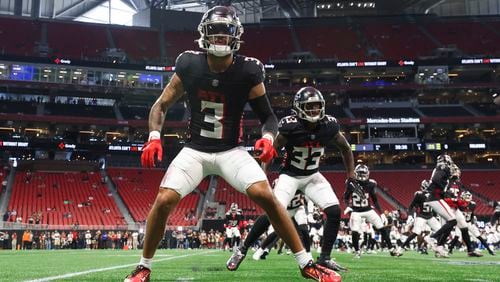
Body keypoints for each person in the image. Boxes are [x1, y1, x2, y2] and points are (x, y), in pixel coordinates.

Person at [125, 6, 338, 282]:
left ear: (236, 36)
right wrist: (154, 136)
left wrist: (267, 137)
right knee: (164, 199)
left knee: (267, 196)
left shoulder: (249, 70)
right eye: (215, 33)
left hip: (231, 151)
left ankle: (306, 263)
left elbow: (268, 117)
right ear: (204, 34)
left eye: (226, 34)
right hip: (195, 150)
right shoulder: (189, 64)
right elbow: (161, 104)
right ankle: (144, 266)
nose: (221, 39)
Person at [228, 86, 353, 274]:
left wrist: (350, 177)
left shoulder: (329, 126)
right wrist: (263, 177)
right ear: (299, 108)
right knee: (272, 211)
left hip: (312, 175)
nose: (315, 111)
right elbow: (270, 153)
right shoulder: (290, 126)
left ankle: (325, 258)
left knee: (334, 210)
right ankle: (242, 249)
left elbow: (346, 149)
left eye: (318, 106)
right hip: (290, 176)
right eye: (310, 107)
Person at [343, 164, 402, 258]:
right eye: (360, 174)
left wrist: (382, 213)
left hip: (368, 209)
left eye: (363, 174)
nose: (362, 176)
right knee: (355, 231)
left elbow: (375, 200)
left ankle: (391, 249)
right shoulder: (351, 183)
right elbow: (345, 198)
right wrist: (349, 206)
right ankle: (357, 251)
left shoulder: (371, 184)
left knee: (382, 228)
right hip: (356, 211)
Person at [423, 154, 458, 258]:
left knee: (451, 222)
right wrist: (444, 189)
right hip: (435, 197)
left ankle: (439, 246)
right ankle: (432, 238)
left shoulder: (440, 168)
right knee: (452, 220)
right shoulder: (443, 166)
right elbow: (436, 179)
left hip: (436, 197)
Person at [401, 180, 441, 252]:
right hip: (421, 216)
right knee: (417, 232)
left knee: (440, 230)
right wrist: (410, 216)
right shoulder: (422, 195)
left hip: (430, 216)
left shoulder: (430, 194)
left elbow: (434, 207)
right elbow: (411, 206)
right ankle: (402, 247)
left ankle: (437, 246)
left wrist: (436, 215)